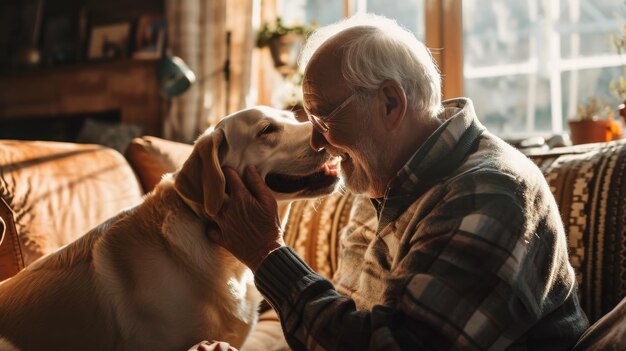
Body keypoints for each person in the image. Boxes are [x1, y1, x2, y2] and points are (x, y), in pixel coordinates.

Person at [206, 13, 589, 351]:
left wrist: (267, 255)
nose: (317, 142)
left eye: (323, 119)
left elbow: (391, 344)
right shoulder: (381, 177)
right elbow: (346, 321)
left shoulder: (488, 193)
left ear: (390, 103)